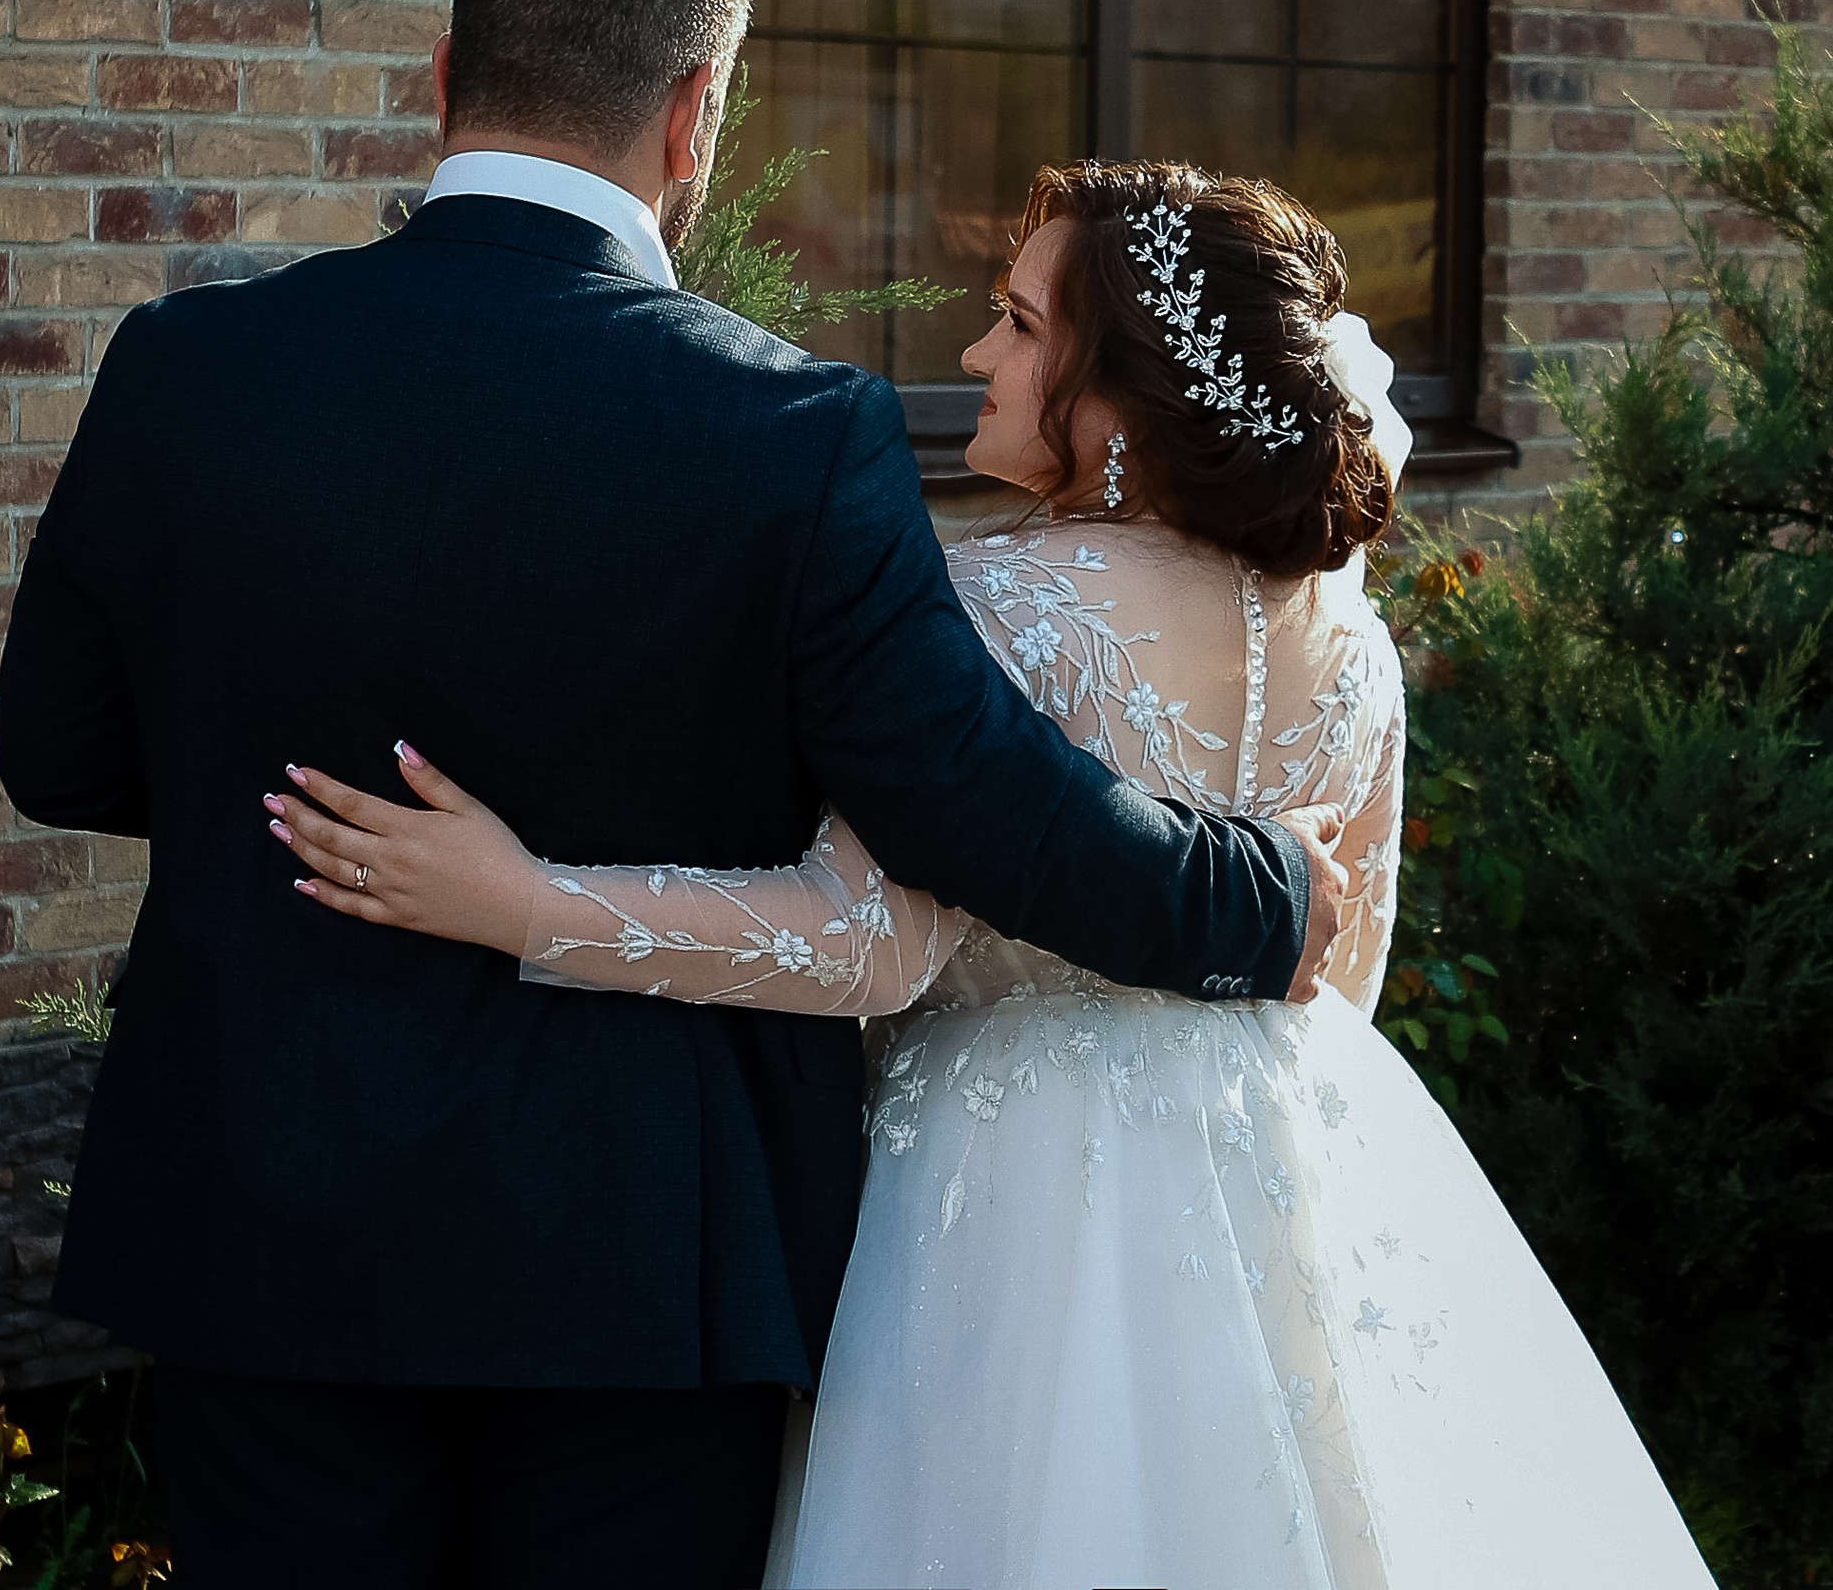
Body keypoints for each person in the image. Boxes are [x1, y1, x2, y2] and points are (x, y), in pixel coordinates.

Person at [0, 0, 1339, 1590]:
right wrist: (1257, 898)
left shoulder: (185, 363)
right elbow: (971, 801)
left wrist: (284, 795)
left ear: (444, 78)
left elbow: (60, 754)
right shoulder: (791, 431)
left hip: (263, 1217)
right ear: (696, 113)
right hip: (637, 1260)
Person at [271, 159, 1718, 1590]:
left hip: (1011, 1218)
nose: (975, 355)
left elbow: (866, 946)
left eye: (1019, 326)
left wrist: (526, 900)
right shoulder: (1360, 647)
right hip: (1301, 1186)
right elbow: (1345, 973)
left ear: (1123, 399)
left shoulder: (990, 606)